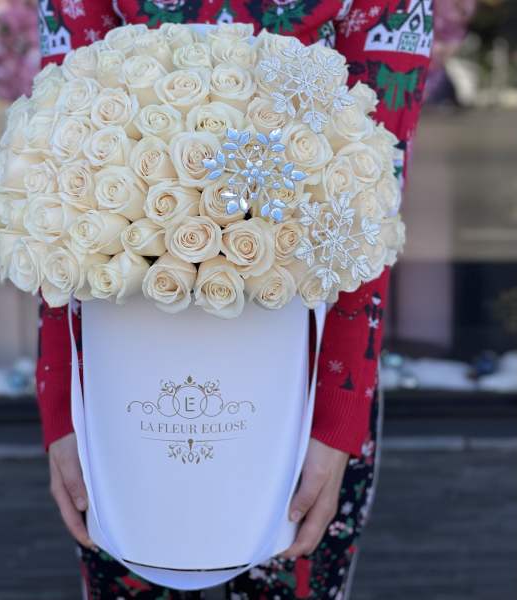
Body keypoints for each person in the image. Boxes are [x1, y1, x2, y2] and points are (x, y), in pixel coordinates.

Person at [36, 0, 432, 597]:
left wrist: (336, 419)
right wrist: (61, 406)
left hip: (309, 374)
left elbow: (372, 201)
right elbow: (55, 183)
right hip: (118, 379)